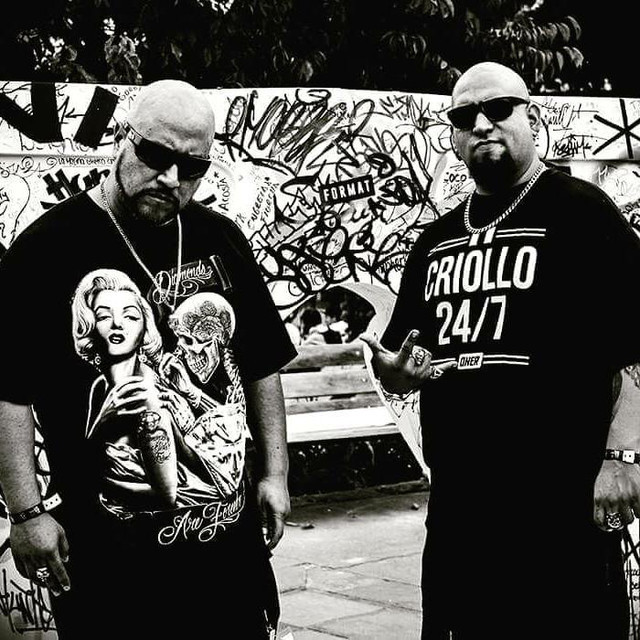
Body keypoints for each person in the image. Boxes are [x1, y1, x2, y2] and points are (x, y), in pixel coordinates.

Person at [0, 79, 296, 639]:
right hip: (110, 564)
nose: (170, 179)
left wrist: (275, 474)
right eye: (156, 155)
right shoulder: (44, 250)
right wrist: (26, 513)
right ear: (121, 137)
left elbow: (261, 364)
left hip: (226, 556)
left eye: (193, 167)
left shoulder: (220, 238)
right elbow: (9, 392)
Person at [362, 61, 640, 639]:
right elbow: (408, 359)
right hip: (461, 508)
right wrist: (396, 375)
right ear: (453, 135)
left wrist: (622, 458)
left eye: (498, 108)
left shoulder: (583, 211)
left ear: (530, 117)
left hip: (561, 502)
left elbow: (634, 344)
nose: (482, 123)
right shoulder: (436, 239)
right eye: (465, 115)